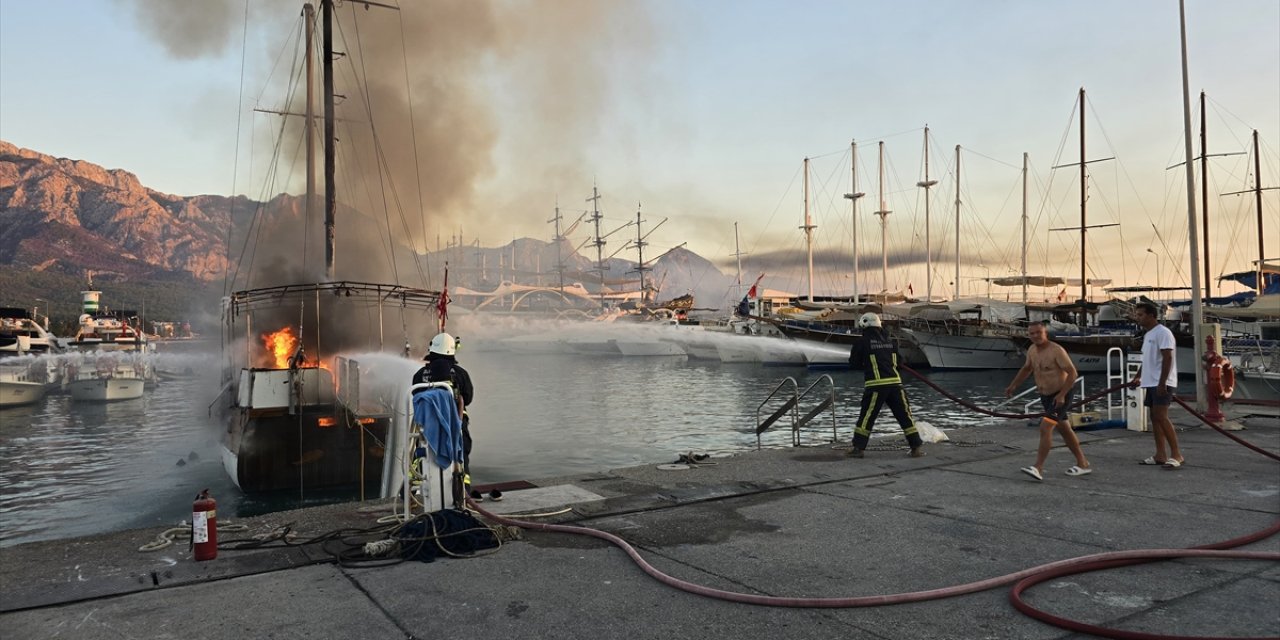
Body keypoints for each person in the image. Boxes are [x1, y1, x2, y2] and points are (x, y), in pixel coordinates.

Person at [1004, 321, 1090, 481]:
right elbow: (1027, 368)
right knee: (1064, 429)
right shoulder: (1031, 350)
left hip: (1061, 394)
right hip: (1046, 396)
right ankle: (1082, 462)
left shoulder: (1056, 351)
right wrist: (1013, 385)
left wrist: (1062, 395)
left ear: (1045, 333)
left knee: (1045, 428)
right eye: (1032, 333)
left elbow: (1072, 373)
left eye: (1038, 332)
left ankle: (1038, 467)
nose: (1035, 336)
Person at [412, 332, 490, 498]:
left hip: (425, 427)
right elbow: (467, 398)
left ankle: (414, 493)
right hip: (456, 424)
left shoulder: (420, 374)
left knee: (421, 455)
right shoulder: (460, 373)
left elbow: (416, 396)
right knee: (462, 455)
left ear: (432, 350)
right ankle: (463, 493)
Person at [847, 312, 925, 458]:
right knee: (905, 416)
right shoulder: (891, 342)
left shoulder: (862, 342)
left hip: (876, 386)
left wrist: (865, 363)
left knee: (867, 417)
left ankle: (858, 449)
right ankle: (916, 448)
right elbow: (900, 362)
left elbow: (854, 364)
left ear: (864, 325)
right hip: (896, 385)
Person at [1128, 301, 1183, 469]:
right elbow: (1148, 360)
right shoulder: (1148, 335)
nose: (1138, 318)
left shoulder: (1163, 333)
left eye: (1141, 315)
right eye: (1137, 315)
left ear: (1151, 315)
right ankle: (1160, 454)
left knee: (1161, 416)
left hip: (1161, 382)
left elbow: (1168, 358)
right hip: (1150, 381)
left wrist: (1162, 383)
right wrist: (1138, 376)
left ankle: (1176, 454)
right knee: (1155, 418)